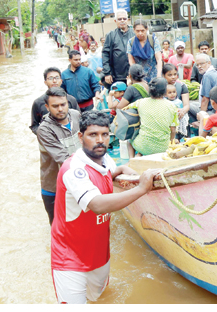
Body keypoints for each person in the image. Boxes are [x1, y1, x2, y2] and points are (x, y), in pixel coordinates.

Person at [50, 110, 161, 303]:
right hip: (69, 258)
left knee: (101, 300)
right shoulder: (73, 170)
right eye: (93, 135)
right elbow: (97, 205)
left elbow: (108, 173)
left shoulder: (104, 160)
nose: (100, 140)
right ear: (80, 136)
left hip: (100, 255)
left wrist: (124, 170)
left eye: (104, 134)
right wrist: (142, 188)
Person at [36, 88, 82, 225]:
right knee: (58, 227)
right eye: (55, 106)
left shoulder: (76, 115)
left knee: (80, 224)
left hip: (78, 181)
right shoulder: (44, 130)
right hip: (55, 187)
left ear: (68, 102)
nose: (60, 109)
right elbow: (65, 159)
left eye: (63, 104)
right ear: (47, 107)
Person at [125, 78, 179, 157]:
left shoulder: (141, 102)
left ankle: (132, 160)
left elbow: (126, 109)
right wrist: (171, 142)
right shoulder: (172, 106)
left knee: (129, 141)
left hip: (143, 145)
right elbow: (173, 129)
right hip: (163, 147)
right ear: (164, 92)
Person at [30, 67, 80, 135]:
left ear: (61, 81)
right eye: (50, 78)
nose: (54, 81)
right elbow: (34, 125)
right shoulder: (38, 103)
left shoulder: (71, 99)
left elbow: (79, 119)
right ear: (45, 82)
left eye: (57, 78)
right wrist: (44, 135)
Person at [102, 10, 135, 90]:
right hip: (117, 75)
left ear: (128, 20)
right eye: (120, 19)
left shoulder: (134, 33)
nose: (122, 21)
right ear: (115, 21)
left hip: (134, 74)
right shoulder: (111, 35)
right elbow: (105, 54)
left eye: (124, 18)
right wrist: (107, 73)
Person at [163, 63, 191, 136]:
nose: (173, 77)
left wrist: (182, 111)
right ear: (163, 76)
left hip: (180, 115)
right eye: (170, 75)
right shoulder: (160, 87)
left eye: (175, 74)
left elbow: (186, 105)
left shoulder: (181, 86)